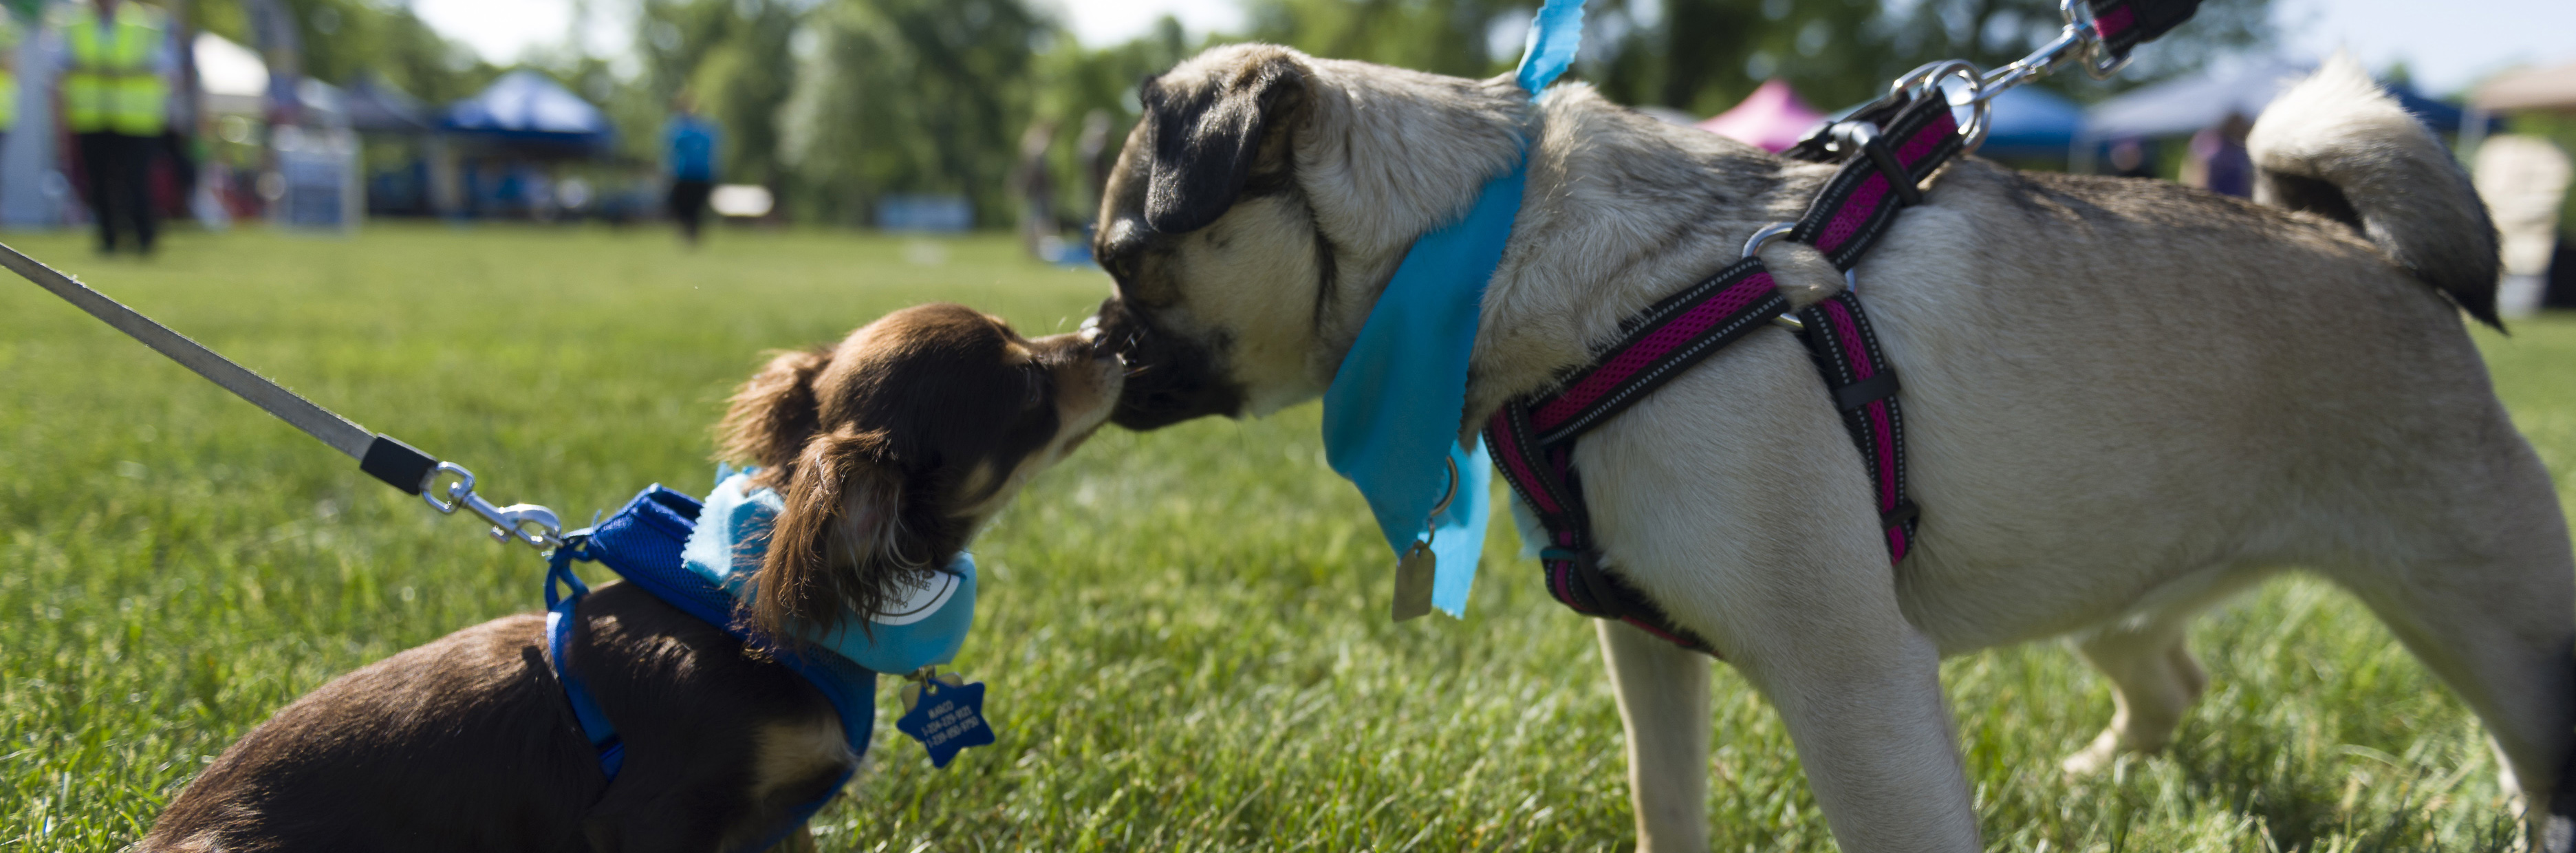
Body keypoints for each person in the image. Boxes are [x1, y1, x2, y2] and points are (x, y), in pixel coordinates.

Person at [63, 0, 169, 255]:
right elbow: (60, 62)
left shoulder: (145, 22)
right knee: (98, 181)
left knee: (136, 180)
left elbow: (164, 63)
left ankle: (144, 237)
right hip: (93, 114)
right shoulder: (74, 24)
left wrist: (118, 72)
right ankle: (108, 239)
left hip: (135, 118)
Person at [662, 94, 717, 246]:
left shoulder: (696, 128)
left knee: (693, 208)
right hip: (683, 173)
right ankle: (689, 235)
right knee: (682, 207)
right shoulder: (679, 127)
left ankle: (692, 235)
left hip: (697, 174)